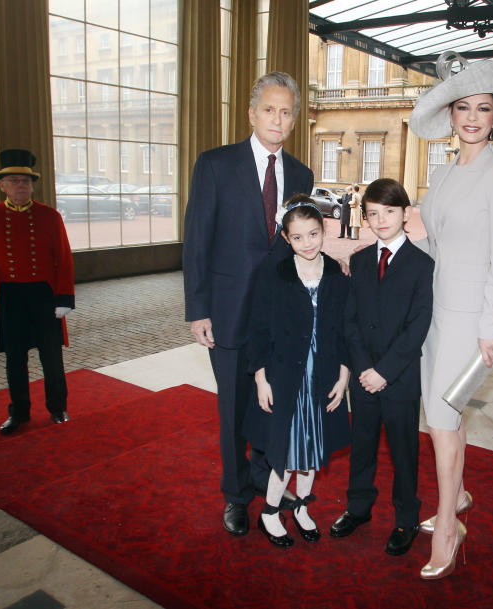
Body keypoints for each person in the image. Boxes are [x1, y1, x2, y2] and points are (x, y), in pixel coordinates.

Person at [408, 53, 493, 579]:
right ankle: (456, 494)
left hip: (466, 321)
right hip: (434, 313)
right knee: (445, 418)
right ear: (452, 116)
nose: (473, 117)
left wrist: (490, 329)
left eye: (484, 108)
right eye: (463, 107)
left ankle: (446, 524)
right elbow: (434, 242)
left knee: (440, 421)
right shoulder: (443, 174)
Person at [183, 72, 314, 537]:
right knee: (235, 411)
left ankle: (265, 480)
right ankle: (236, 495)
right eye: (269, 109)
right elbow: (197, 240)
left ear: (294, 119)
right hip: (228, 314)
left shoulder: (301, 174)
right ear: (251, 113)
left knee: (272, 407)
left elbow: (300, 245)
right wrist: (198, 309)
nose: (277, 119)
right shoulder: (215, 165)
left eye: (285, 112)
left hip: (278, 320)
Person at [331, 178, 434, 557]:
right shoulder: (359, 260)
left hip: (400, 377)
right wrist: (363, 368)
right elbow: (350, 320)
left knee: (404, 450)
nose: (381, 219)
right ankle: (358, 508)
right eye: (373, 213)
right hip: (363, 374)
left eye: (389, 211)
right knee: (362, 446)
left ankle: (406, 518)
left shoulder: (422, 265)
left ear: (406, 213)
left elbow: (418, 325)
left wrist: (384, 372)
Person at [244, 196, 351, 547]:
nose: (308, 243)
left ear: (325, 231)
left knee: (313, 448)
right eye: (299, 237)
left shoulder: (336, 273)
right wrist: (260, 378)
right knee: (287, 450)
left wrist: (345, 374)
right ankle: (270, 512)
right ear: (287, 239)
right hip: (285, 378)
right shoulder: (274, 275)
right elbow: (257, 328)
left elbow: (346, 328)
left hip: (321, 375)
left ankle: (302, 506)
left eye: (314, 234)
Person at [0, 148, 75, 435]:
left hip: (44, 295)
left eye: (25, 181)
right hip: (11, 296)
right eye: (14, 180)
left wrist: (64, 297)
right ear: (1, 184)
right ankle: (19, 413)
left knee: (51, 356)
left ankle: (57, 407)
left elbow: (63, 258)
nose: (20, 186)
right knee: (15, 359)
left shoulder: (49, 216)